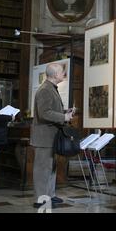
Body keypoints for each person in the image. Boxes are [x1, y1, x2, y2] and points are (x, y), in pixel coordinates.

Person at [31, 63, 74, 209]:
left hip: (51, 136)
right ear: (55, 74)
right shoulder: (45, 90)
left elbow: (50, 109)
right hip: (44, 137)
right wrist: (64, 118)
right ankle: (41, 199)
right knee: (43, 169)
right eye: (62, 72)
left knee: (51, 168)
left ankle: (50, 195)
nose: (64, 74)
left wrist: (64, 111)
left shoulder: (51, 88)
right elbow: (44, 113)